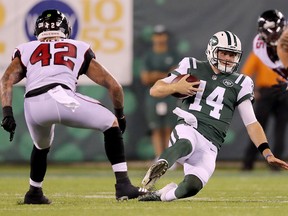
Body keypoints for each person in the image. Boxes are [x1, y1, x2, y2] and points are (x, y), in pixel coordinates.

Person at [0, 9, 147, 204]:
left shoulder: (26, 48)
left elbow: (6, 80)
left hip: (32, 106)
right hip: (60, 96)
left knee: (41, 145)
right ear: (65, 30)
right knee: (110, 122)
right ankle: (123, 185)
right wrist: (120, 116)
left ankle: (34, 193)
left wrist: (7, 112)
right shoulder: (77, 47)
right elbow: (114, 86)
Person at [137, 30, 288, 202]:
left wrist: (268, 154)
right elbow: (155, 89)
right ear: (212, 50)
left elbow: (252, 123)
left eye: (232, 55)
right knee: (185, 143)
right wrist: (175, 87)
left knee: (192, 186)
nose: (228, 58)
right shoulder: (191, 65)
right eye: (224, 53)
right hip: (190, 126)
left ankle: (163, 195)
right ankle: (159, 167)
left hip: (211, 144)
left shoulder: (241, 83)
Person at [242, 9, 288, 171]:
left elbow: (245, 73)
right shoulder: (260, 50)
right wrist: (253, 90)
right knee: (260, 128)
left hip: (279, 92)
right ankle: (251, 163)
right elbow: (245, 73)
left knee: (276, 129)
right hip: (270, 92)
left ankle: (270, 165)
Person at [140, 25, 179, 158]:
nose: (159, 38)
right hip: (153, 96)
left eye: (162, 34)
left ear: (166, 37)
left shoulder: (173, 54)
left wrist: (155, 74)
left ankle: (169, 157)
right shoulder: (148, 56)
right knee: (156, 128)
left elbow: (175, 76)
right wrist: (164, 75)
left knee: (169, 127)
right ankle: (159, 157)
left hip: (170, 95)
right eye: (157, 35)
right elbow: (145, 78)